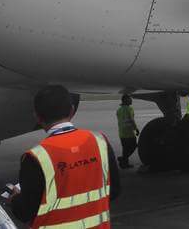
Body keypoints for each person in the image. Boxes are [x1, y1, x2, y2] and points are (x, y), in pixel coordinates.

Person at [8, 85, 121, 228]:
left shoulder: (35, 157)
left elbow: (26, 212)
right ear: (72, 110)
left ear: (37, 117)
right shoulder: (100, 141)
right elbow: (114, 190)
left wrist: (15, 200)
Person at [116, 94, 139, 169]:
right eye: (129, 99)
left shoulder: (119, 110)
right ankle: (123, 160)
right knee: (133, 146)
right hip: (129, 133)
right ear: (125, 100)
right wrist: (136, 129)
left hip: (122, 133)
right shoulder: (129, 109)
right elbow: (132, 120)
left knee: (125, 149)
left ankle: (124, 162)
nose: (131, 100)